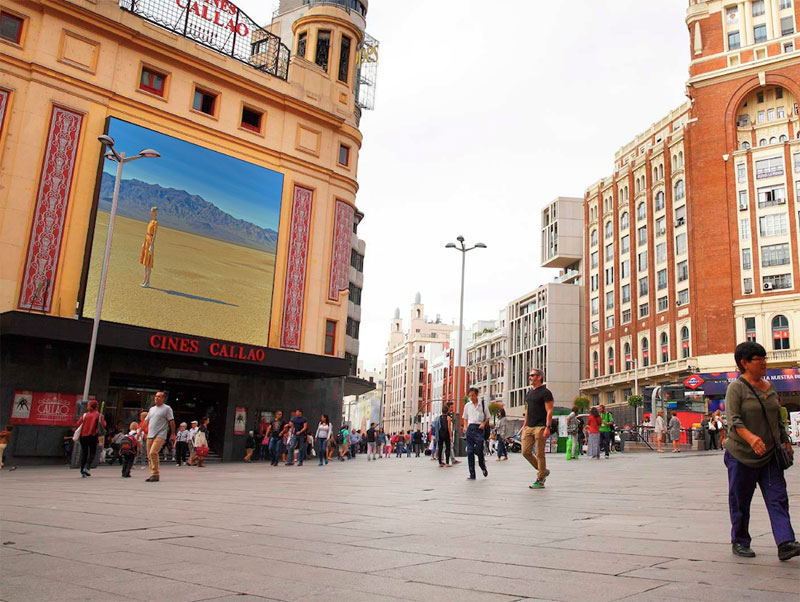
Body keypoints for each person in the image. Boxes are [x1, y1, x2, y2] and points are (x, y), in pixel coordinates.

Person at [724, 341, 799, 561]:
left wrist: (785, 441)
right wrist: (751, 437)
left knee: (778, 497)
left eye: (764, 358)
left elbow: (777, 418)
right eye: (759, 359)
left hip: (769, 456)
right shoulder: (735, 388)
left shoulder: (770, 387)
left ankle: (785, 542)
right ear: (744, 363)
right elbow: (733, 420)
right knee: (740, 500)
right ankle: (740, 540)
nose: (764, 363)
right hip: (741, 456)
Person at [522, 369, 553, 489]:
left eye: (532, 375)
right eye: (529, 375)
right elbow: (527, 410)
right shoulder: (529, 393)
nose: (530, 377)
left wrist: (547, 427)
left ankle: (540, 479)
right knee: (525, 452)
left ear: (539, 377)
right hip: (529, 427)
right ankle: (543, 470)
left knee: (540, 453)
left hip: (540, 426)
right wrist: (524, 426)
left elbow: (549, 410)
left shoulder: (546, 392)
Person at [143, 391, 175, 482]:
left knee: (153, 452)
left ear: (163, 398)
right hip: (150, 434)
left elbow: (171, 421)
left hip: (160, 434)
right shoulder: (152, 409)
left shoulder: (167, 409)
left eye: (159, 397)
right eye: (155, 396)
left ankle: (155, 473)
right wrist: (140, 431)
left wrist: (172, 433)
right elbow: (146, 421)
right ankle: (152, 473)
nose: (156, 398)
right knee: (149, 455)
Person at [461, 387, 490, 480]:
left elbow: (488, 417)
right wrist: (465, 426)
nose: (471, 397)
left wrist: (483, 424)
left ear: (477, 395)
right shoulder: (467, 405)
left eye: (473, 395)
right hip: (470, 428)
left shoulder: (483, 404)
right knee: (469, 452)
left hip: (479, 429)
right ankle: (472, 474)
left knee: (479, 449)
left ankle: (482, 465)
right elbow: (465, 417)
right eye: (470, 396)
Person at [74, 400, 106, 478]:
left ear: (90, 406)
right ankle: (87, 467)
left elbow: (78, 423)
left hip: (83, 436)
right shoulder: (99, 415)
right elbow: (104, 425)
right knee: (92, 452)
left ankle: (82, 470)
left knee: (84, 453)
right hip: (92, 436)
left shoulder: (85, 415)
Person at [139, 206, 158, 288]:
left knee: (148, 264)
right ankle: (145, 280)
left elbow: (154, 235)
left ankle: (147, 282)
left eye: (152, 211)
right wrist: (144, 242)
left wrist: (151, 246)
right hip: (146, 241)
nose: (150, 213)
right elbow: (147, 233)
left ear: (155, 213)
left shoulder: (155, 223)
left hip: (150, 243)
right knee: (145, 263)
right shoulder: (150, 221)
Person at [437, 403, 453, 467]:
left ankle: (440, 462)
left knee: (440, 448)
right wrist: (451, 436)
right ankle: (447, 462)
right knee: (447, 448)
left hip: (440, 434)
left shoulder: (439, 417)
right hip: (446, 434)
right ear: (447, 410)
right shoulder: (448, 418)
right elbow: (449, 427)